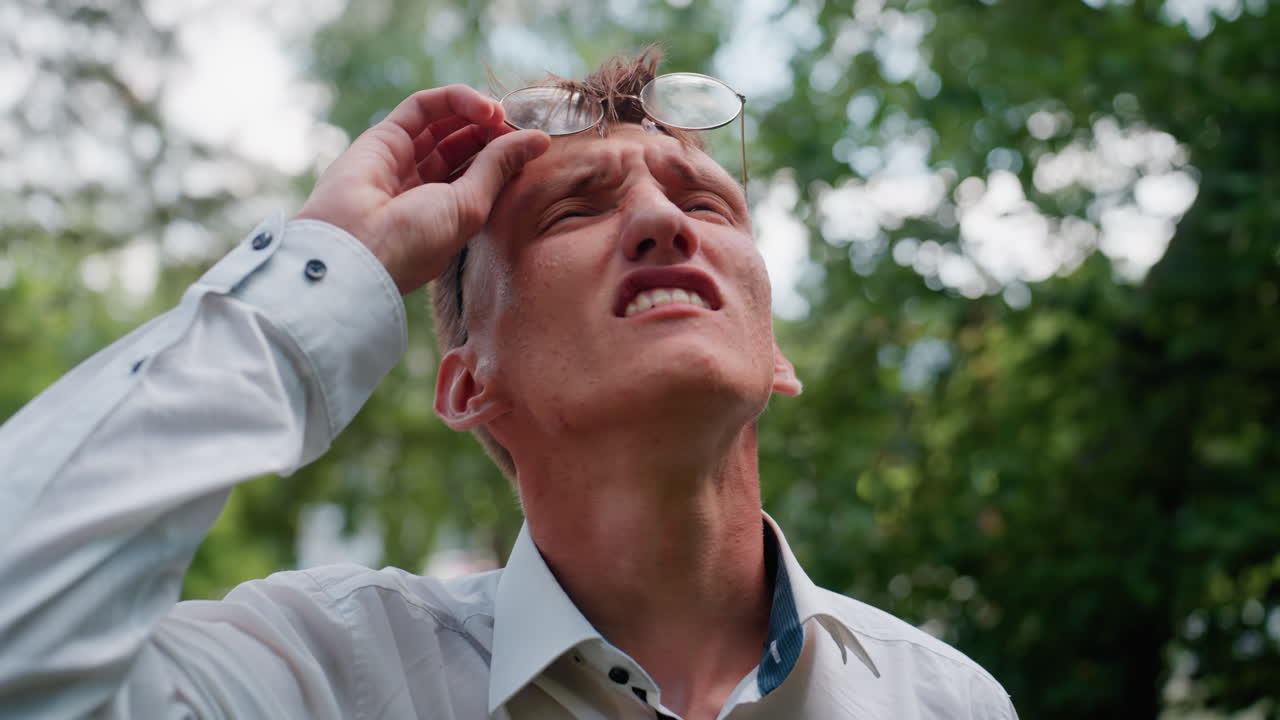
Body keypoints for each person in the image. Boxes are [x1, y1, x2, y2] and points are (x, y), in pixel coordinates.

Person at [0, 50, 1016, 719]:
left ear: (775, 353)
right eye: (575, 210)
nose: (663, 221)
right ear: (466, 384)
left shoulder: (948, 702)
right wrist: (327, 263)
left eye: (706, 200)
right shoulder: (324, 680)